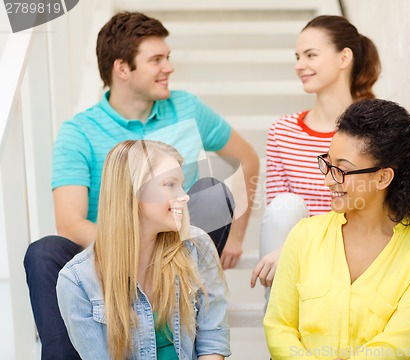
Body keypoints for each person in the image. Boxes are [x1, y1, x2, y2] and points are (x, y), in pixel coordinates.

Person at [23, 12, 259, 360]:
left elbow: (247, 160)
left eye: (168, 57)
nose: (168, 67)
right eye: (156, 60)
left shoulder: (187, 107)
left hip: (176, 241)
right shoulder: (80, 132)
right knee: (44, 252)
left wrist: (237, 236)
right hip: (108, 252)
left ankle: (192, 304)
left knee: (212, 190)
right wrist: (130, 246)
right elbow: (70, 223)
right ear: (122, 68)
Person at [263, 99, 410, 359]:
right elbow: (278, 327)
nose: (328, 180)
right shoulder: (304, 236)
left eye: (342, 170)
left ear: (383, 177)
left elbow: (396, 346)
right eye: (327, 164)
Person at [56, 140, 230, 359]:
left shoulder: (197, 245)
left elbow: (213, 342)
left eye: (181, 184)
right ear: (133, 190)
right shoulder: (76, 281)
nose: (184, 195)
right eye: (170, 184)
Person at [251, 15, 381, 291]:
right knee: (285, 206)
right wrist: (295, 251)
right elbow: (278, 213)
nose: (300, 66)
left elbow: (375, 211)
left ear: (344, 58)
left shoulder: (376, 128)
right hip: (298, 259)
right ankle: (280, 319)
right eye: (297, 57)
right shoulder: (282, 131)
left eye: (311, 55)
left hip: (357, 250)